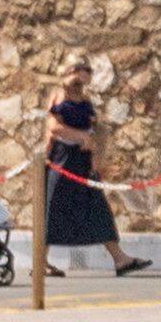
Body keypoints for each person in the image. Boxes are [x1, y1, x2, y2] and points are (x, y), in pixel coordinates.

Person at [38, 62, 144, 277]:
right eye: (84, 74)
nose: (86, 80)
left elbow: (92, 129)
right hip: (62, 160)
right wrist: (80, 136)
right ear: (73, 72)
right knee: (53, 208)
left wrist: (94, 154)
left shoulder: (84, 99)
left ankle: (120, 259)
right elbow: (53, 128)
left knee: (96, 206)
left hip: (82, 160)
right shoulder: (59, 95)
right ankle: (40, 263)